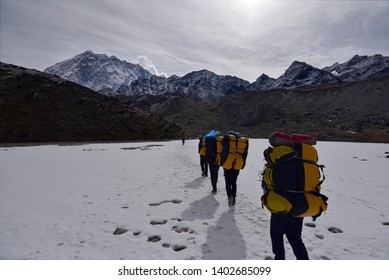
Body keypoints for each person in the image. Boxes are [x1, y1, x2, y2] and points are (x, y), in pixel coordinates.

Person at [220, 131, 248, 207]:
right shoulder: (241, 141)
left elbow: (223, 148)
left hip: (228, 163)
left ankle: (229, 196)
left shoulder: (228, 140)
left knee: (228, 182)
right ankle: (234, 198)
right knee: (234, 181)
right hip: (237, 164)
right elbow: (245, 154)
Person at [204, 130, 221, 194]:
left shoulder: (208, 140)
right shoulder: (219, 141)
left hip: (210, 159)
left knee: (212, 174)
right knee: (216, 173)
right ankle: (215, 186)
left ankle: (214, 188)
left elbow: (205, 150)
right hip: (218, 159)